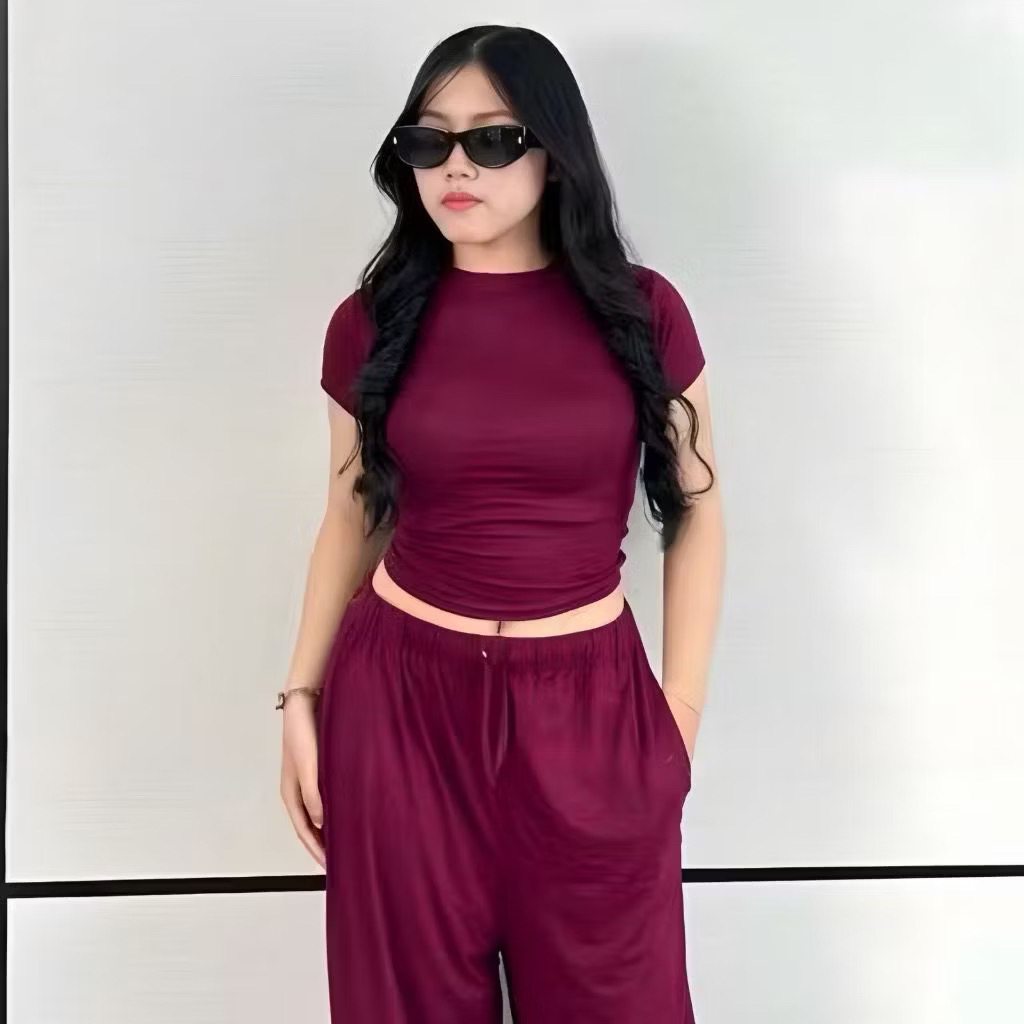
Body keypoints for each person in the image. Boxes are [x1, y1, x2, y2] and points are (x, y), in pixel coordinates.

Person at [278, 24, 725, 1024]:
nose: (455, 166)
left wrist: (679, 721)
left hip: (590, 714)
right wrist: (300, 696)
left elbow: (697, 510)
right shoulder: (371, 322)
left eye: (490, 138)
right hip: (398, 711)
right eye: (427, 141)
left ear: (554, 152)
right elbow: (350, 512)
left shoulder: (643, 314)